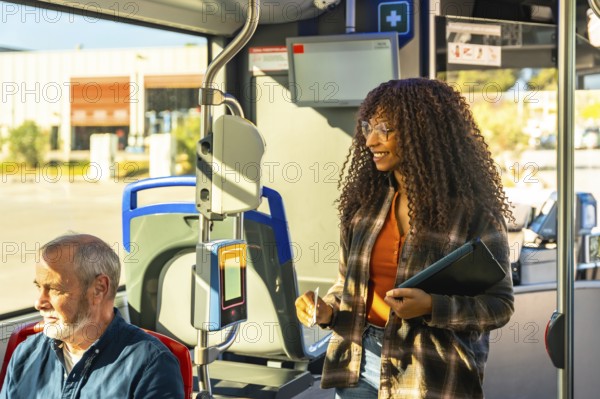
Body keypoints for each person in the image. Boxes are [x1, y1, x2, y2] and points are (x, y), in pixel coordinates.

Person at [295, 78, 514, 399]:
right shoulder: (363, 209)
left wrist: (432, 306)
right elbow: (346, 286)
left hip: (430, 370)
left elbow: (499, 305)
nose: (370, 140)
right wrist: (326, 310)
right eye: (368, 126)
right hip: (357, 360)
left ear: (424, 132)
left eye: (385, 129)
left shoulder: (472, 214)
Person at [0, 233, 184, 399]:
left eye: (55, 289)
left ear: (99, 289)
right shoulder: (25, 355)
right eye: (39, 287)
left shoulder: (150, 365)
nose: (39, 302)